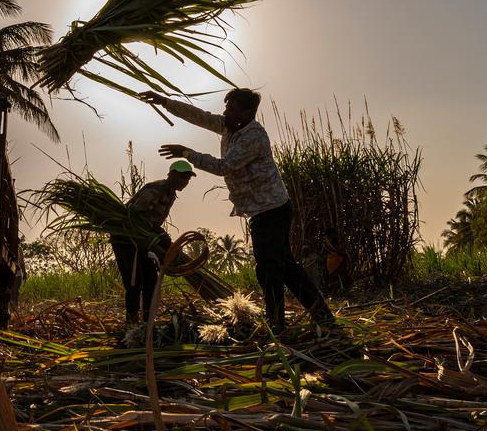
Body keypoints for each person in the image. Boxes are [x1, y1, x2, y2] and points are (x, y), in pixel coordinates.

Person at [141, 88, 333, 331]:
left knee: (269, 268)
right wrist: (165, 102)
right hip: (261, 210)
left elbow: (225, 166)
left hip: (272, 209)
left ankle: (276, 324)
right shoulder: (229, 126)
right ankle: (322, 316)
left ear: (246, 113)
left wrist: (187, 153)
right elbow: (199, 116)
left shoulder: (254, 137)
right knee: (285, 267)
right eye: (226, 107)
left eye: (231, 109)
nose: (225, 112)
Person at [111, 160, 194, 324]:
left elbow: (152, 222)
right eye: (183, 177)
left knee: (151, 282)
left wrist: (160, 237)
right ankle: (132, 325)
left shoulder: (170, 194)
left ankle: (147, 324)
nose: (185, 181)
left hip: (143, 241)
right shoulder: (157, 189)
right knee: (135, 285)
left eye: (188, 178)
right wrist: (159, 233)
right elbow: (134, 214)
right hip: (128, 239)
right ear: (171, 174)